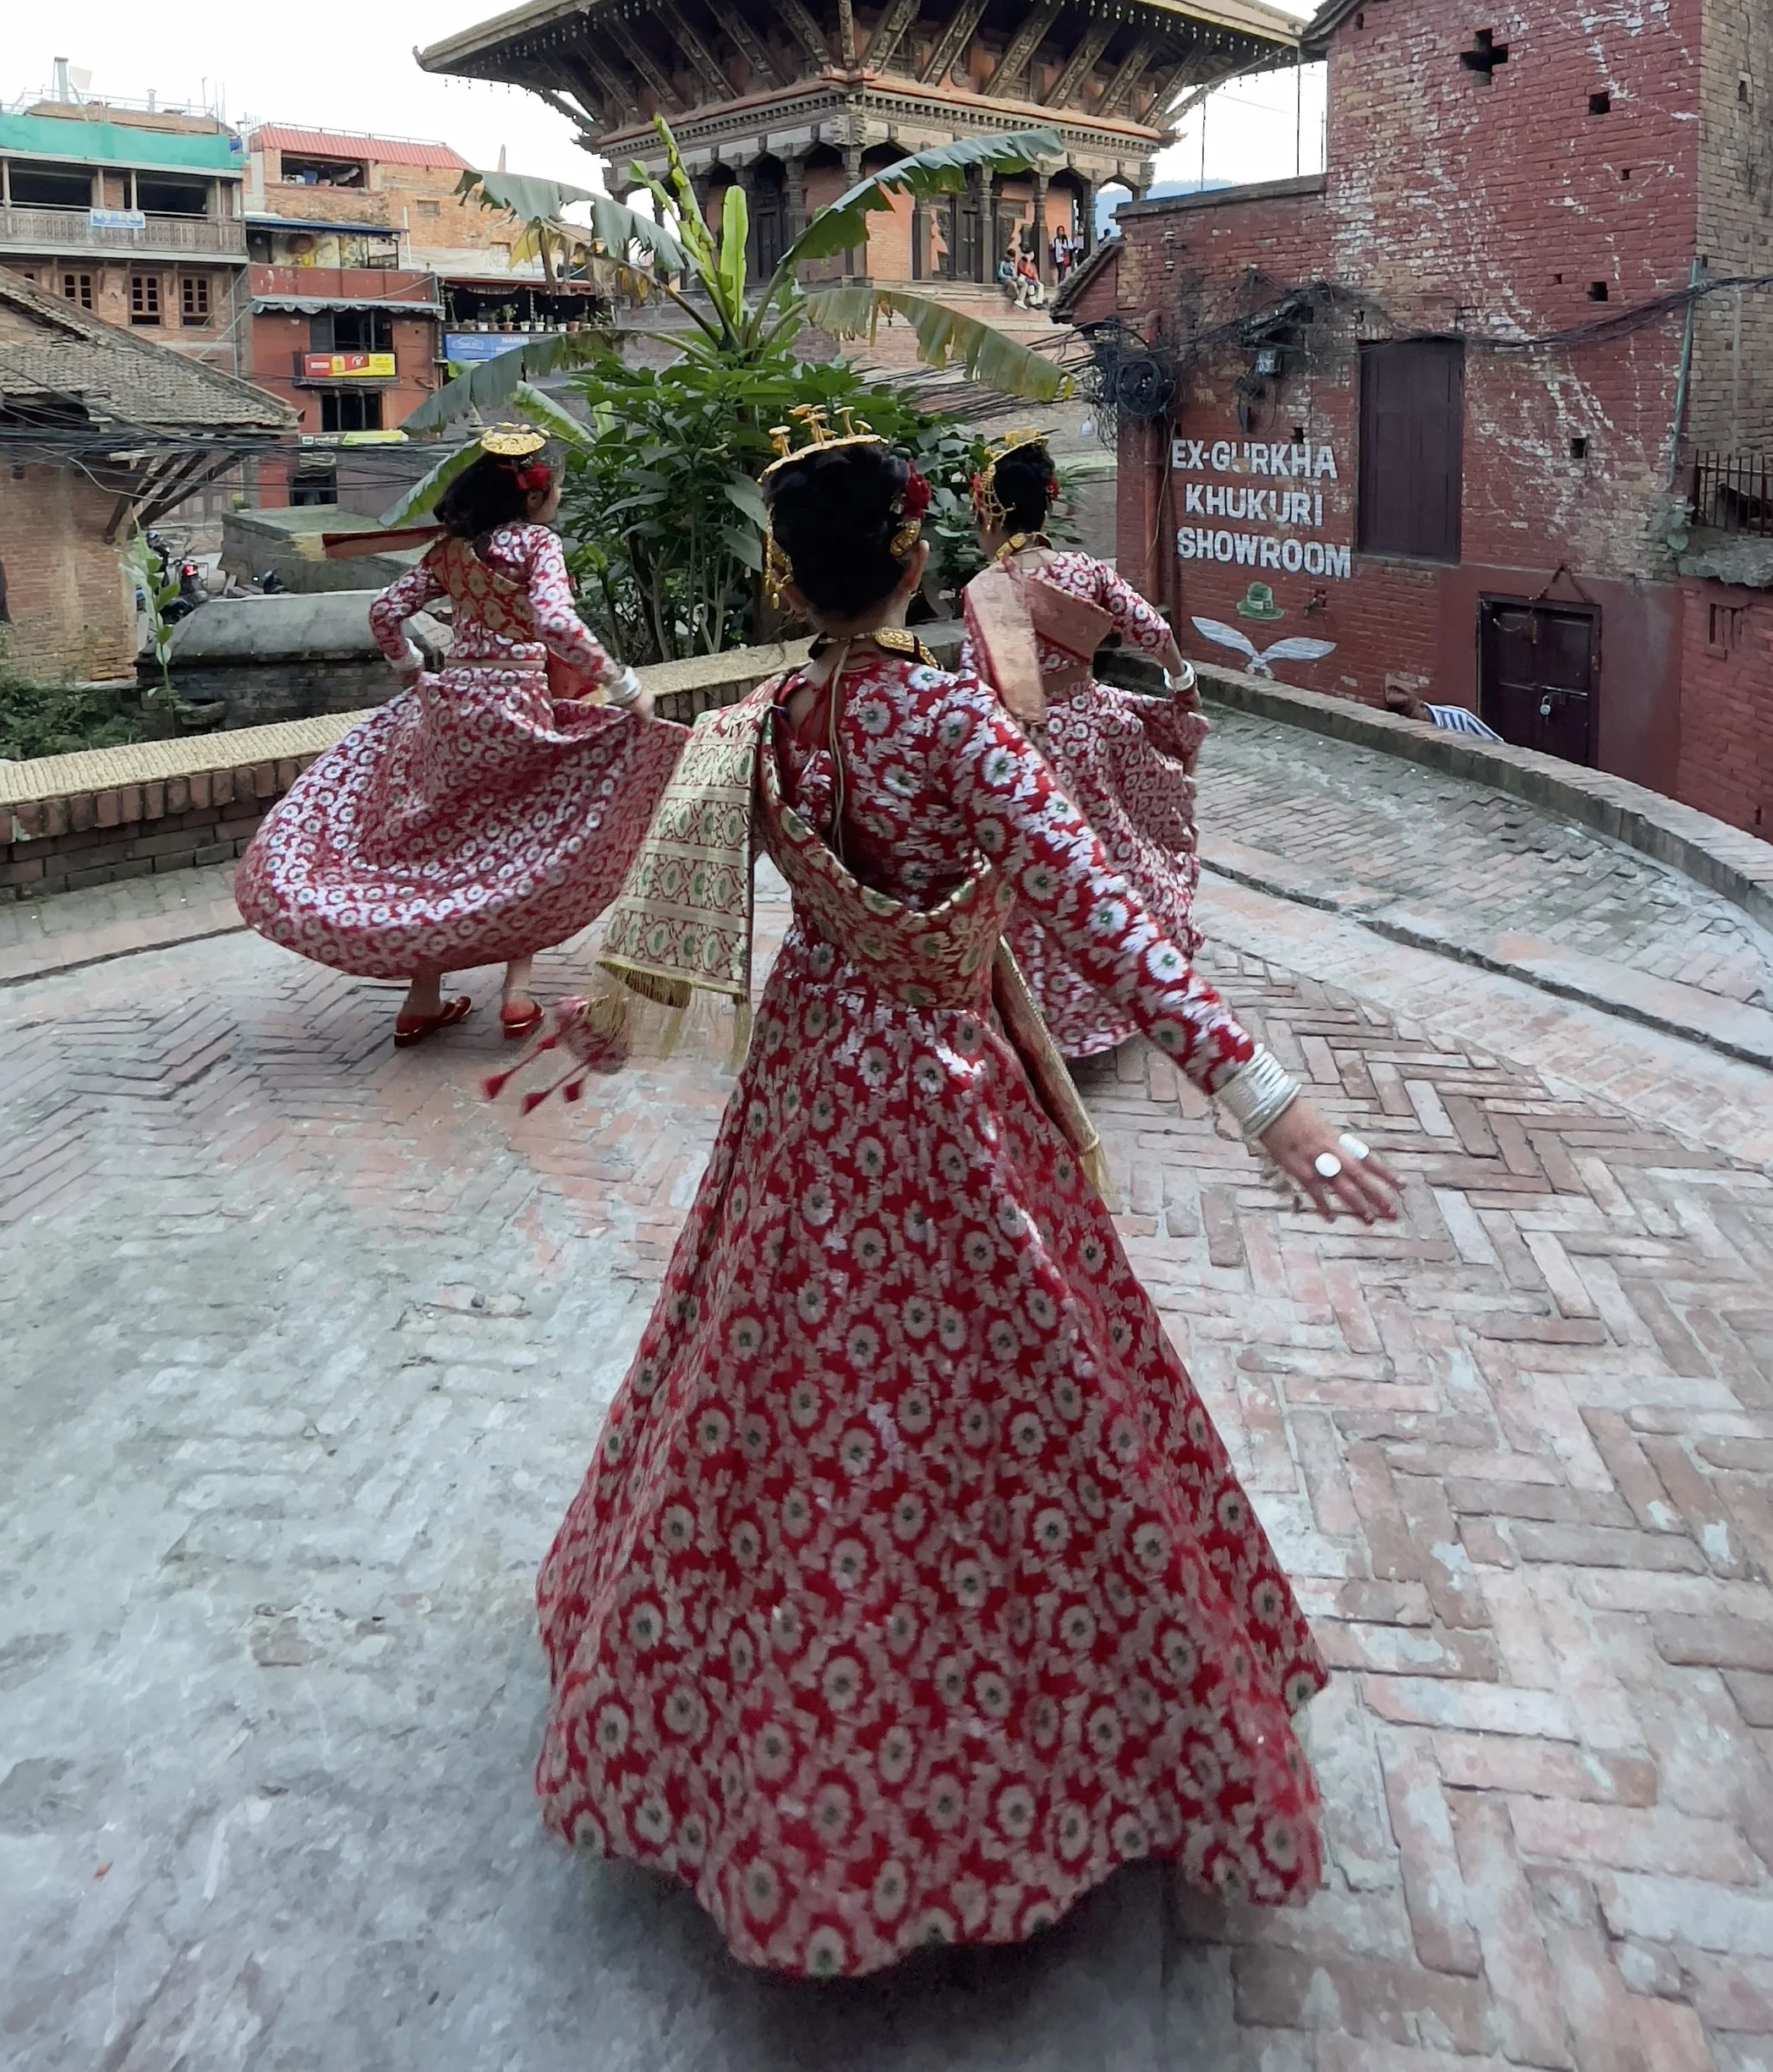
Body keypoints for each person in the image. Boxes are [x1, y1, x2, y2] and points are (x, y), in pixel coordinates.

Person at [528, 419, 1398, 1978]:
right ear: (919, 558)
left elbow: (670, 895)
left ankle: (775, 1756)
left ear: (783, 574)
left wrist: (601, 1024)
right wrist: (1271, 1100)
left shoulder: (764, 724)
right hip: (944, 1100)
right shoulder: (961, 729)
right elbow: (1112, 920)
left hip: (810, 1083)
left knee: (783, 1376)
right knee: (1022, 1392)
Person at [234, 426, 684, 1043]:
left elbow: (383, 612)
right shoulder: (537, 545)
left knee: (440, 843)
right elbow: (554, 621)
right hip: (517, 705)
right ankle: (517, 994)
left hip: (451, 711)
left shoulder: (449, 552)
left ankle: (422, 1000)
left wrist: (412, 670)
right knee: (524, 841)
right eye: (556, 491)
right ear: (534, 499)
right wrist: (626, 686)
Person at [960, 429, 1206, 1064]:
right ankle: (1132, 975)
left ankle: (1049, 1013)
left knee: (1036, 870)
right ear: (1047, 503)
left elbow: (973, 685)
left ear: (991, 510)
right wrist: (1183, 684)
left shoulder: (987, 591)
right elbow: (1150, 628)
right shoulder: (1086, 570)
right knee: (1113, 853)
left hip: (1025, 744)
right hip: (1093, 727)